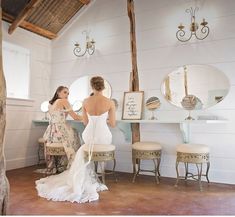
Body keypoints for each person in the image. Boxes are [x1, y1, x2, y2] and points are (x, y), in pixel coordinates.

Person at [36, 76, 116, 203]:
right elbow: (112, 124)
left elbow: (85, 122)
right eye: (65, 92)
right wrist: (102, 120)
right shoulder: (110, 102)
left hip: (88, 135)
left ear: (92, 86)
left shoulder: (85, 101)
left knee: (83, 143)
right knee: (100, 142)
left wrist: (93, 119)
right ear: (104, 87)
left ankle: (84, 172)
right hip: (103, 135)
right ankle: (100, 171)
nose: (67, 95)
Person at [43, 86, 82, 173]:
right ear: (58, 92)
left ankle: (61, 165)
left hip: (51, 134)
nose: (67, 95)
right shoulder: (63, 101)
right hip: (59, 131)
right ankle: (71, 166)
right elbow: (75, 117)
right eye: (65, 92)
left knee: (73, 133)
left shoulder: (50, 104)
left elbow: (60, 117)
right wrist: (87, 117)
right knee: (76, 134)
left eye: (68, 93)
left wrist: (66, 112)